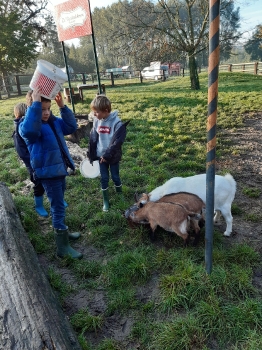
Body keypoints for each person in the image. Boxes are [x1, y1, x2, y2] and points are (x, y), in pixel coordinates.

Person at [19, 86, 82, 259]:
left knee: (59, 203)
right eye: (42, 109)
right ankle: (62, 247)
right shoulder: (28, 127)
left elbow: (71, 126)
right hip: (48, 173)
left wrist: (62, 107)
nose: (46, 113)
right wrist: (36, 105)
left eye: (49, 109)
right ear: (34, 108)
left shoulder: (53, 122)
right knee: (58, 206)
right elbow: (30, 131)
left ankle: (63, 231)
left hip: (59, 170)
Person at [87, 94, 129, 212]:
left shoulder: (116, 123)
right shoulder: (97, 121)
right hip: (101, 156)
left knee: (115, 176)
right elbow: (93, 137)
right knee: (104, 178)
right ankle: (106, 200)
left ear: (105, 111)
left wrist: (107, 155)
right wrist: (92, 152)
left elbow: (117, 142)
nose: (94, 114)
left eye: (96, 112)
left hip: (113, 156)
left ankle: (119, 194)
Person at [13, 102, 48, 217]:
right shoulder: (19, 131)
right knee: (38, 183)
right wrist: (33, 161)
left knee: (49, 179)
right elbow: (22, 152)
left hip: (41, 159)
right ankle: (39, 205)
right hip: (32, 163)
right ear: (18, 116)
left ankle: (55, 199)